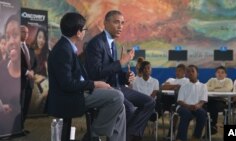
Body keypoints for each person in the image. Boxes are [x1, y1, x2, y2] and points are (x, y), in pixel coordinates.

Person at [46, 12, 126, 141]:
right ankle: (93, 134)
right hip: (70, 98)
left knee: (119, 104)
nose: (84, 32)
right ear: (78, 32)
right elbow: (67, 84)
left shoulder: (67, 47)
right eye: (84, 29)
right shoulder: (63, 50)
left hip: (79, 92)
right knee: (117, 96)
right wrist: (94, 84)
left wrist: (95, 85)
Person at [84, 10, 155, 141]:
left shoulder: (113, 43)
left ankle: (128, 136)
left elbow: (113, 72)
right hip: (103, 88)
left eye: (122, 23)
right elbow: (95, 73)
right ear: (105, 23)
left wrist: (126, 76)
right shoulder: (96, 43)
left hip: (117, 86)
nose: (120, 26)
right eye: (116, 22)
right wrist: (121, 62)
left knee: (149, 102)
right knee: (129, 109)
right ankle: (95, 136)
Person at [0, 14, 22, 136]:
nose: (10, 42)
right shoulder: (1, 68)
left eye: (15, 35)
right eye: (7, 37)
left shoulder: (28, 72)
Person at [176, 65, 208, 141]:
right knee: (186, 114)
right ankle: (181, 138)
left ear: (198, 73)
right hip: (183, 107)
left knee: (203, 113)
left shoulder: (203, 86)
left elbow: (202, 101)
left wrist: (197, 106)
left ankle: (196, 137)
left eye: (192, 71)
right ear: (186, 74)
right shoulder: (183, 86)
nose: (190, 73)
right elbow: (180, 101)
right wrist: (188, 106)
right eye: (188, 71)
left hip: (196, 107)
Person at [206, 66, 233, 134]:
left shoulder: (228, 80)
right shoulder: (211, 80)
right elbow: (204, 88)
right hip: (210, 100)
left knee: (214, 105)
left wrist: (212, 88)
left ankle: (212, 127)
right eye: (218, 72)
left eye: (222, 72)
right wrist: (219, 88)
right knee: (204, 106)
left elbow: (227, 90)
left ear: (225, 74)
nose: (220, 74)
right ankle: (210, 128)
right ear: (215, 74)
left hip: (223, 101)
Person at [20, 25, 37, 131]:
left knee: (26, 106)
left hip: (29, 83)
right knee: (19, 106)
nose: (26, 34)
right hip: (19, 82)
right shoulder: (13, 47)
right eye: (23, 32)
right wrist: (26, 72)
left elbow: (35, 63)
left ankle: (21, 127)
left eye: (27, 32)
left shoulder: (30, 48)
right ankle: (16, 128)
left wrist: (32, 71)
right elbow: (13, 64)